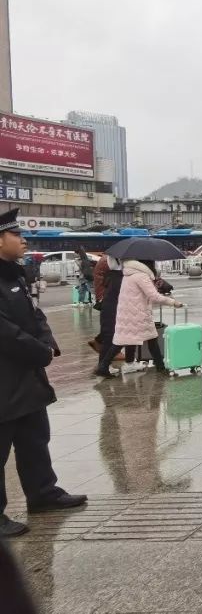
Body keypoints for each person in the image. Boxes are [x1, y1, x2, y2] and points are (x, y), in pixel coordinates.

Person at [0, 208, 88, 538]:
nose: (23, 241)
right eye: (16, 236)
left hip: (27, 376)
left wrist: (47, 340)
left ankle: (43, 493)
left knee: (35, 438)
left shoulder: (14, 274)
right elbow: (5, 332)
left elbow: (36, 315)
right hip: (5, 376)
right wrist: (39, 350)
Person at [108, 259, 184, 373]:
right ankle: (160, 367)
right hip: (138, 313)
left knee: (127, 338)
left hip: (128, 312)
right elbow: (154, 296)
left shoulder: (129, 273)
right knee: (150, 339)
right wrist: (172, 302)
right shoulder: (141, 276)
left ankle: (124, 364)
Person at [92, 254, 125, 378]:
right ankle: (103, 366)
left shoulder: (112, 275)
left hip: (108, 306)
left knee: (109, 336)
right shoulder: (116, 277)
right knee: (110, 336)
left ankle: (104, 365)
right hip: (111, 308)